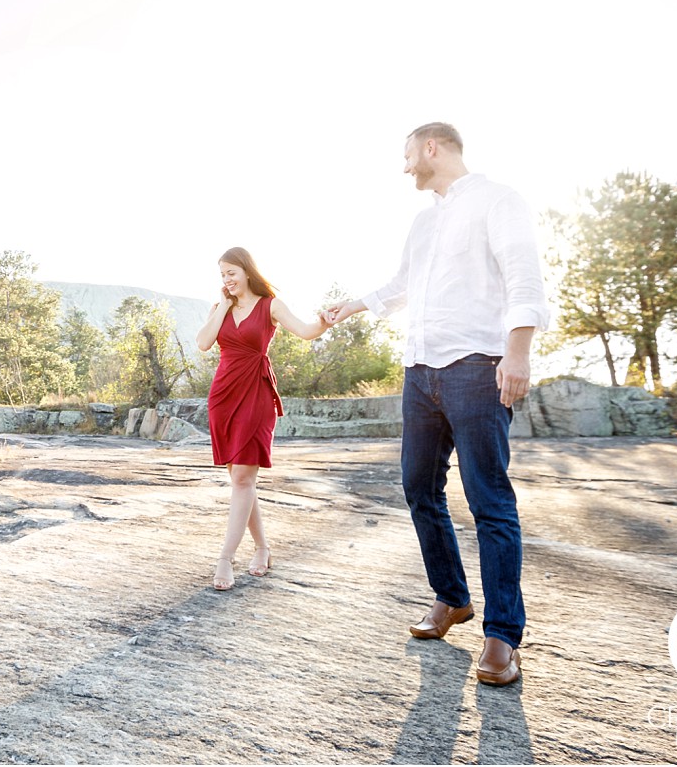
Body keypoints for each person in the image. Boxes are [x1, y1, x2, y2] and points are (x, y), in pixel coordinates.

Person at [321, 122, 548, 686]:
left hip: (478, 368)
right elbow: (405, 283)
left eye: (406, 156)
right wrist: (351, 306)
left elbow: (524, 277)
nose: (404, 169)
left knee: (488, 498)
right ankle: (452, 597)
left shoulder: (499, 200)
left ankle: (502, 636)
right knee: (418, 487)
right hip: (419, 374)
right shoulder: (424, 221)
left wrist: (516, 353)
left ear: (431, 147)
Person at [196, 246, 328, 592]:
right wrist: (223, 305)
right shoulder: (220, 307)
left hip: (255, 393)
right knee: (242, 480)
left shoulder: (271, 306)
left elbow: (304, 330)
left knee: (242, 477)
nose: (227, 279)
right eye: (222, 275)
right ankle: (263, 547)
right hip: (222, 397)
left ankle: (226, 557)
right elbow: (203, 344)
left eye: (231, 273)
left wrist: (325, 322)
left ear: (246, 271)